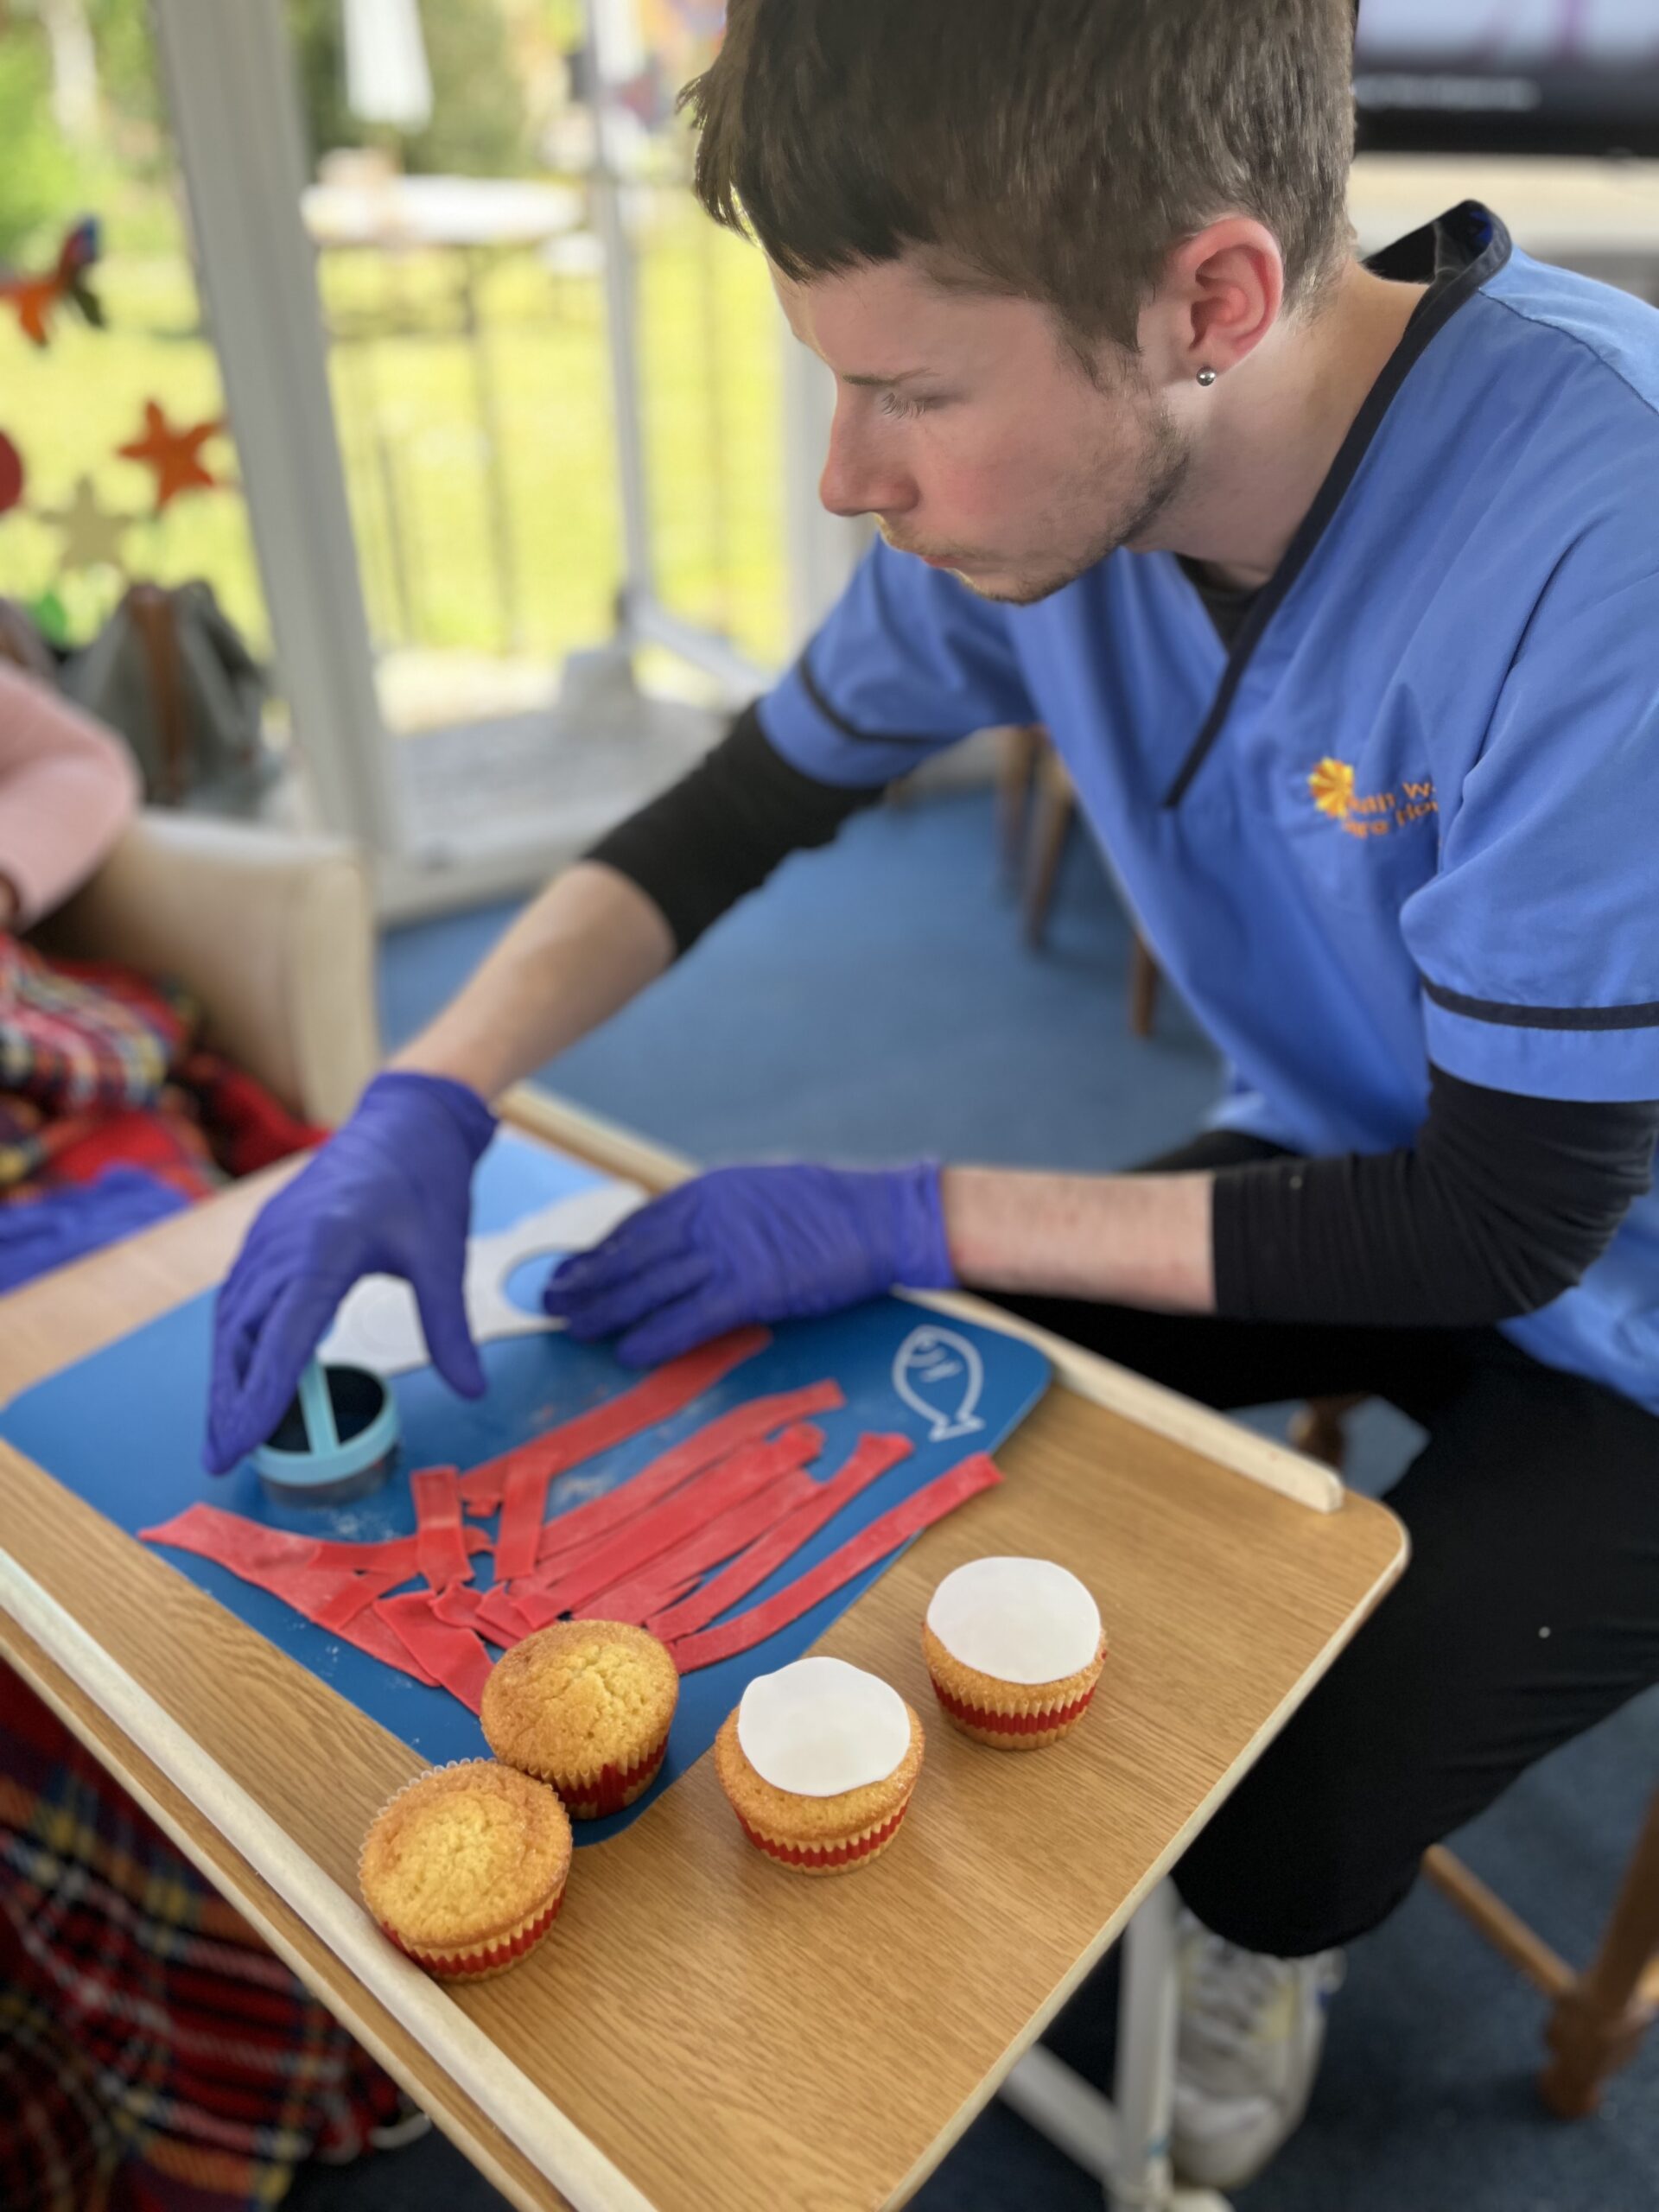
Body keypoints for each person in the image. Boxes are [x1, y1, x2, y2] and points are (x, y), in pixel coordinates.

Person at [206, 0, 1659, 2186]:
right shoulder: (1071, 497)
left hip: (1615, 1289)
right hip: (1360, 1158)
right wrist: (425, 1090)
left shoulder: (1607, 528)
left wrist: (905, 1202)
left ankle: (1266, 1938)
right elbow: (732, 809)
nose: (845, 475)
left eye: (908, 392)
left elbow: (1506, 1223)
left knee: (1278, 1822)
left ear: (1210, 299)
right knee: (903, 1388)